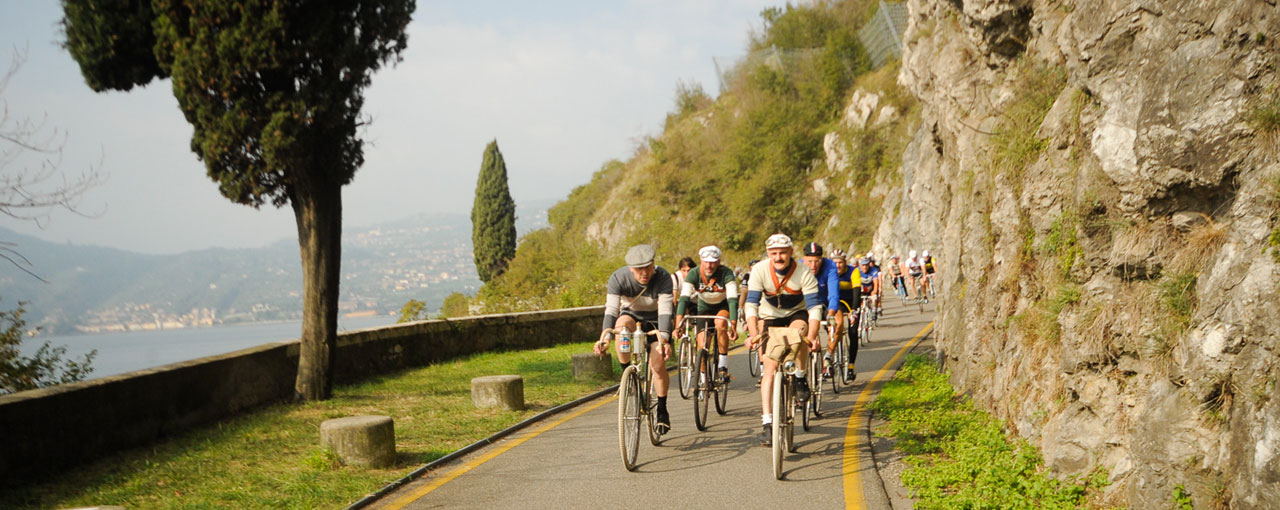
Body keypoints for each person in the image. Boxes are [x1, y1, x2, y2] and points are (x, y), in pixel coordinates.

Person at [744, 234, 821, 446]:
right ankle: (768, 423)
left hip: (797, 314)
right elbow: (751, 304)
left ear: (790, 253)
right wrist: (752, 334)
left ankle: (800, 376)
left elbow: (814, 308)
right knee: (769, 369)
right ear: (768, 254)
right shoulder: (759, 270)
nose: (778, 257)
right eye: (774, 253)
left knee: (800, 336)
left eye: (782, 253)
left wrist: (812, 337)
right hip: (770, 317)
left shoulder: (804, 272)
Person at [593, 244, 675, 434]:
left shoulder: (663, 277)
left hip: (656, 321)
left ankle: (662, 410)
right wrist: (605, 337)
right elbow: (612, 310)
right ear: (631, 269)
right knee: (621, 329)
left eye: (648, 267)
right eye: (639, 269)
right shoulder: (618, 278)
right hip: (631, 316)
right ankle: (627, 375)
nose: (644, 273)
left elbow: (665, 311)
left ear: (654, 264)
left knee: (657, 363)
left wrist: (664, 340)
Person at [675, 245, 738, 381]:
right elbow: (684, 299)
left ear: (719, 261)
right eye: (706, 261)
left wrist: (732, 324)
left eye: (713, 262)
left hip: (722, 306)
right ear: (701, 260)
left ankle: (722, 366)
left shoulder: (726, 273)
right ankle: (703, 379)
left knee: (720, 323)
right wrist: (678, 324)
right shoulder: (694, 273)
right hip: (704, 307)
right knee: (702, 343)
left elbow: (732, 299)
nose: (709, 265)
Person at [800, 242, 840, 380]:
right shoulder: (797, 267)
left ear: (822, 259)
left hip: (825, 303)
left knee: (838, 322)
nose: (813, 266)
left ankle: (828, 356)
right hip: (805, 305)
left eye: (817, 261)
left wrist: (831, 312)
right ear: (803, 259)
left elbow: (834, 292)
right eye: (809, 261)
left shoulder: (830, 266)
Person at [828, 249, 859, 381]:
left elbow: (857, 292)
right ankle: (829, 360)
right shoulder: (830, 272)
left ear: (845, 262)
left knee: (853, 332)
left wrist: (854, 311)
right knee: (831, 328)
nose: (838, 265)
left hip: (851, 302)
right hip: (836, 304)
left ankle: (851, 366)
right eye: (835, 262)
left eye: (840, 262)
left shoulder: (853, 271)